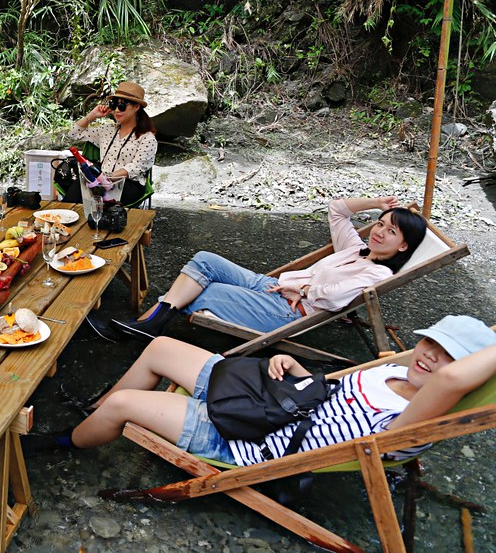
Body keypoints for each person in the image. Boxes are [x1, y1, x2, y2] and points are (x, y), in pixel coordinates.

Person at [30, 315, 496, 464]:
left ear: (462, 377)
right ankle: (91, 411)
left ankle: (66, 441)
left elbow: (451, 381)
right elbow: (331, 390)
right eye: (428, 342)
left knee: (123, 404)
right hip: (274, 398)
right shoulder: (399, 371)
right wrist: (297, 368)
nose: (429, 356)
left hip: (249, 440)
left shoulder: (414, 423)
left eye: (447, 354)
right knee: (163, 346)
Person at [111, 196, 428, 340]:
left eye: (390, 231)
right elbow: (336, 210)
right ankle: (151, 324)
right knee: (205, 259)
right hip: (273, 287)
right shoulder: (357, 249)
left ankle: (144, 325)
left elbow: (333, 299)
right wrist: (377, 204)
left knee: (205, 288)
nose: (379, 231)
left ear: (403, 246)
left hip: (289, 311)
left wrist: (302, 289)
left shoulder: (378, 273)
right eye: (380, 224)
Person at [62, 81, 157, 206]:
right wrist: (92, 115)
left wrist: (108, 177)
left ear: (136, 107)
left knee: (99, 199)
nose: (117, 110)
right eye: (114, 105)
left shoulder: (147, 138)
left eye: (122, 106)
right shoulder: (107, 130)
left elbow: (136, 167)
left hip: (127, 183)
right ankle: (62, 218)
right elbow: (73, 134)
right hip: (99, 178)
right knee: (76, 192)